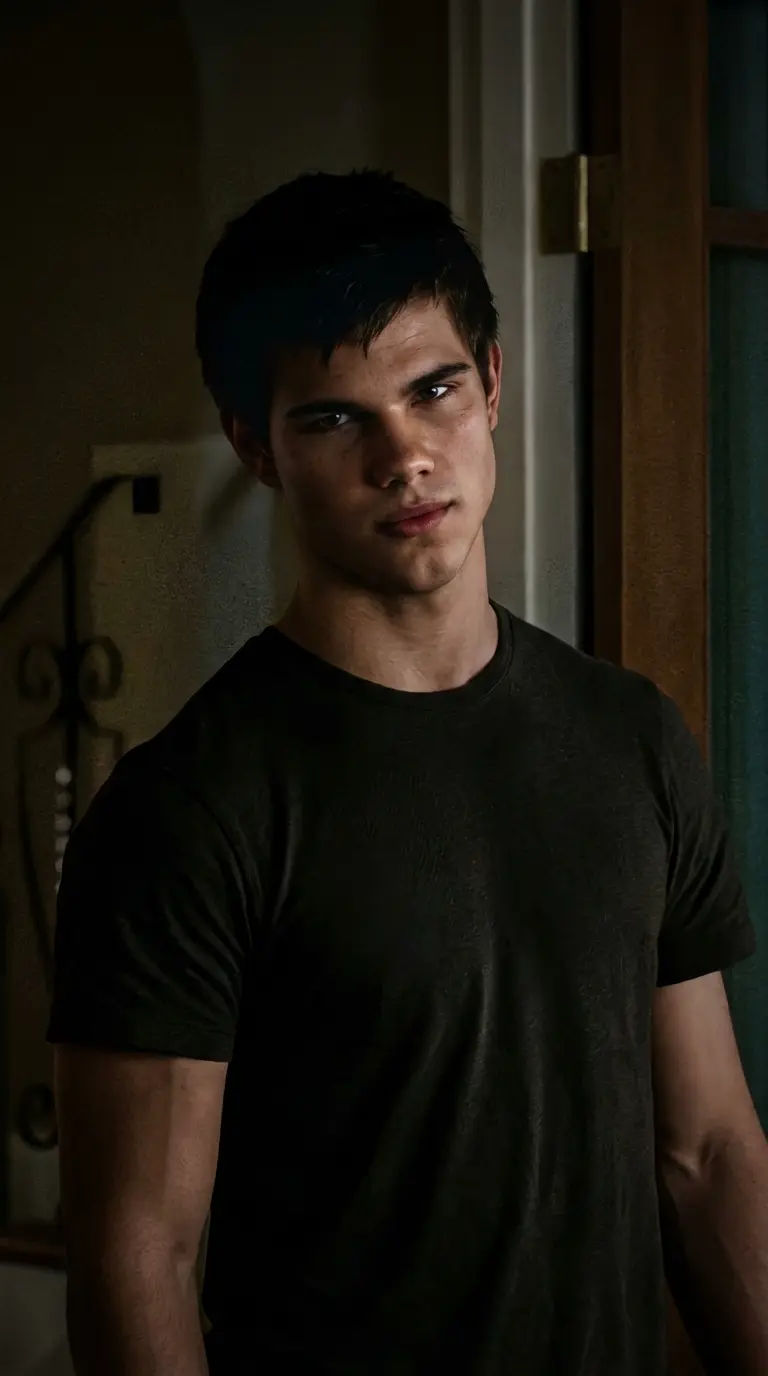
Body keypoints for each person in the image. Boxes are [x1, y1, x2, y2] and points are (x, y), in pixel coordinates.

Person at [49, 169, 767, 1376]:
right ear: (256, 446)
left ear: (492, 383)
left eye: (433, 389)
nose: (405, 456)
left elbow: (708, 1154)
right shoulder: (188, 809)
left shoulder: (631, 736)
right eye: (336, 418)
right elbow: (140, 1259)